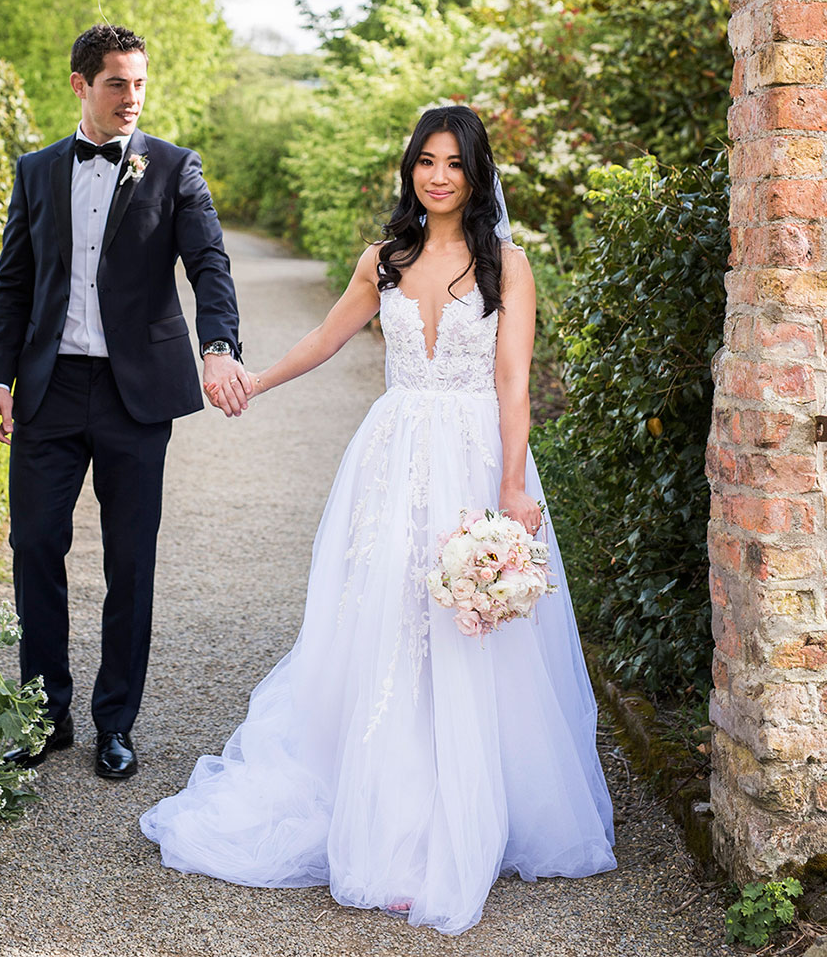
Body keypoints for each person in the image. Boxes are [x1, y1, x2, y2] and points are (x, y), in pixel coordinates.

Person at [141, 105, 615, 933]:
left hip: (474, 459)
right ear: (411, 170)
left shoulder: (507, 264)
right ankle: (393, 822)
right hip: (390, 463)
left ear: (476, 173)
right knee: (393, 625)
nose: (437, 176)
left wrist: (511, 487)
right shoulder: (385, 259)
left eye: (453, 163)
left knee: (472, 632)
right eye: (425, 161)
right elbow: (326, 339)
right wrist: (254, 380)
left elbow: (513, 385)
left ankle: (475, 808)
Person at [0, 24, 253, 780]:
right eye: (115, 83)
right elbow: (12, 284)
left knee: (131, 560)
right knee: (35, 547)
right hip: (50, 389)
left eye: (139, 82)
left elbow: (209, 265)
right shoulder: (36, 172)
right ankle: (45, 716)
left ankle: (116, 723)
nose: (131, 97)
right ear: (80, 84)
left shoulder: (173, 168)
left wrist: (219, 346)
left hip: (138, 395)